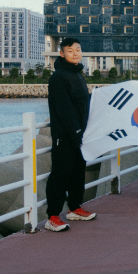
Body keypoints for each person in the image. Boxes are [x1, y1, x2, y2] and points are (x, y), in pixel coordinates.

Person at [44, 38, 96, 232]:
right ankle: (53, 216)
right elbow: (64, 108)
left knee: (77, 173)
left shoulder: (77, 74)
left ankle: (74, 208)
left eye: (78, 50)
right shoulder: (58, 77)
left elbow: (82, 103)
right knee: (60, 174)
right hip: (64, 136)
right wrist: (75, 132)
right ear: (62, 54)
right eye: (70, 50)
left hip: (80, 135)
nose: (75, 53)